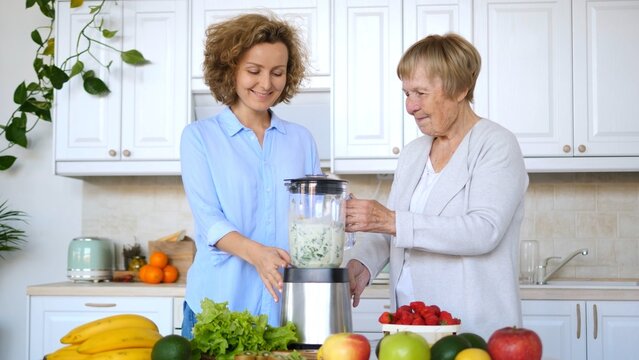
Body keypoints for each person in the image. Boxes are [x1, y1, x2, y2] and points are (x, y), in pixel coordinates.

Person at [344, 33, 529, 339]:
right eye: (406, 93)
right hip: (408, 326)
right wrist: (361, 263)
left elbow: (484, 231)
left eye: (420, 93)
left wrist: (390, 220)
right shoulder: (414, 152)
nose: (410, 106)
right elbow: (395, 232)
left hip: (471, 330)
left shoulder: (495, 144)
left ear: (460, 89)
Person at [180, 13, 321, 338]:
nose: (266, 84)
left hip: (282, 310)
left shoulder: (301, 139)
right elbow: (209, 220)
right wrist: (257, 254)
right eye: (254, 71)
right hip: (217, 303)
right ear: (230, 70)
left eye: (277, 72)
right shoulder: (200, 137)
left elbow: (314, 215)